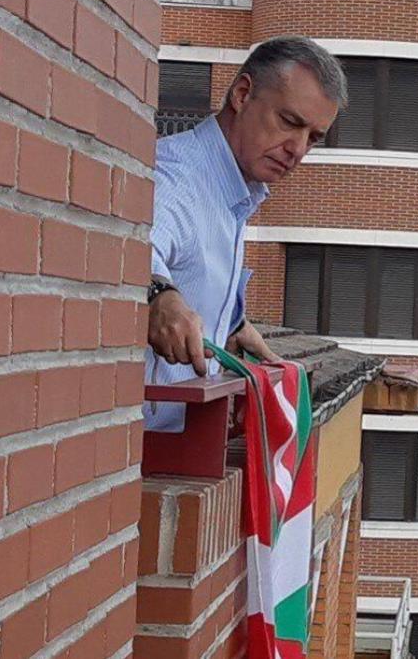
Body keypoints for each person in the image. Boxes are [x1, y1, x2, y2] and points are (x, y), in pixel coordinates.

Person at [145, 36, 347, 432]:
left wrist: (231, 325)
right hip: (141, 464)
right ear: (241, 94)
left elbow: (191, 270)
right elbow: (129, 248)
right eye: (289, 123)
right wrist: (158, 296)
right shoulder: (175, 178)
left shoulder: (234, 189)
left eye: (313, 138)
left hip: (180, 458)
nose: (298, 149)